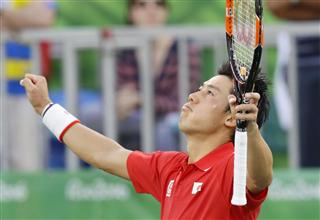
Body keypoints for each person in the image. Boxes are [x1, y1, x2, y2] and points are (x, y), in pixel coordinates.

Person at [20, 62, 273, 219]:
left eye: (209, 93)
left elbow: (260, 176)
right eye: (199, 88)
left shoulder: (234, 166)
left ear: (231, 118)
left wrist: (249, 129)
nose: (193, 95)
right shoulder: (170, 167)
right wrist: (46, 108)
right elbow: (107, 154)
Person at [116, 0, 201, 150]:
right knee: (94, 116)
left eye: (159, 4)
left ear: (166, 11)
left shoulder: (184, 48)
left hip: (172, 119)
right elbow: (123, 97)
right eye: (142, 5)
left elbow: (184, 103)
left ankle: (168, 174)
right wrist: (121, 103)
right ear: (131, 13)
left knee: (164, 129)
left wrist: (141, 100)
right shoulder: (125, 51)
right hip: (137, 117)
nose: (151, 11)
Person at [1, 0, 56, 170]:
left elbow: (44, 17)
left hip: (29, 89)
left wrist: (5, 15)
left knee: (28, 163)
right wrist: (24, 18)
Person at [267, 0, 320, 167]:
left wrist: (295, 3)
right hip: (299, 65)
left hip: (301, 65)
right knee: (306, 144)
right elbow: (276, 6)